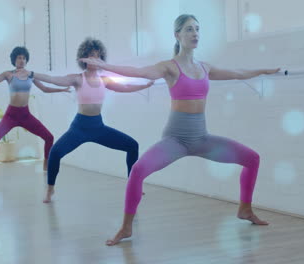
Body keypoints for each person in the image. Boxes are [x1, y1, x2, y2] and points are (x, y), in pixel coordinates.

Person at [81, 14, 280, 245]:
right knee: (137, 171)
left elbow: (237, 73)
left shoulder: (204, 67)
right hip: (175, 140)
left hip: (201, 139)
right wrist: (106, 66)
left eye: (197, 28)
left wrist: (263, 71)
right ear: (177, 35)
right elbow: (139, 72)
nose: (195, 33)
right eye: (189, 29)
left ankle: (245, 209)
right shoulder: (169, 67)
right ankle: (126, 227)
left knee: (252, 158)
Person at [34, 38, 154, 203]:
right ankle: (50, 189)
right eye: (91, 56)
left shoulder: (104, 80)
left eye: (97, 56)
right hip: (79, 128)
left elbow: (125, 88)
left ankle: (133, 185)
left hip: (98, 128)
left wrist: (144, 86)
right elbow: (54, 79)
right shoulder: (77, 79)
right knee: (55, 153)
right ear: (84, 58)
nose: (94, 60)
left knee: (132, 145)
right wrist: (33, 75)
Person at [0, 46, 70, 178]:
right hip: (11, 115)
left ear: (26, 60)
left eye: (23, 58)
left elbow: (45, 88)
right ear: (14, 60)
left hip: (26, 115)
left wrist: (61, 90)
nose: (21, 60)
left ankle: (46, 164)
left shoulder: (31, 75)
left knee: (49, 137)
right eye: (19, 58)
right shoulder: (8, 75)